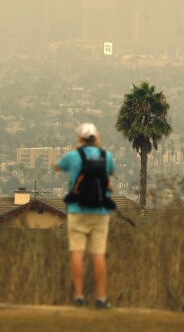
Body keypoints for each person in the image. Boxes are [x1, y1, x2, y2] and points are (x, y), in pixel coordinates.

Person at [54, 122, 116, 309]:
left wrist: (76, 150)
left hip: (77, 209)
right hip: (100, 211)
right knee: (98, 254)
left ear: (80, 138)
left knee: (78, 252)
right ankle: (101, 298)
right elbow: (110, 172)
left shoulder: (73, 156)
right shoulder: (106, 156)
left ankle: (79, 296)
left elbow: (58, 167)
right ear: (96, 138)